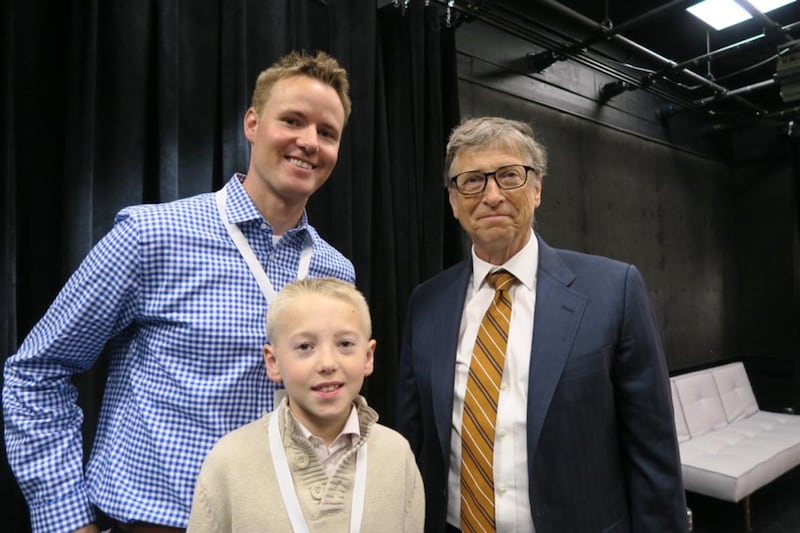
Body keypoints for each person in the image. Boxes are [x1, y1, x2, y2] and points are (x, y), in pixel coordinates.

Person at [3, 50, 355, 533]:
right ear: (253, 124)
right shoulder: (152, 237)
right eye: (292, 120)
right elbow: (36, 374)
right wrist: (65, 521)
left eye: (327, 132)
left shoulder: (336, 273)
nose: (309, 142)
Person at [395, 116, 687, 532]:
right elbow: (412, 440)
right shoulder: (427, 303)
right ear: (454, 202)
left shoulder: (614, 291)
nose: (491, 195)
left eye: (509, 175)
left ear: (537, 189)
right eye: (472, 181)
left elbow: (652, 448)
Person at [186, 277, 425, 532]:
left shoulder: (397, 455)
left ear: (368, 356)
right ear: (273, 362)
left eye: (345, 344)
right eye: (305, 346)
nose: (327, 363)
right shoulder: (228, 462)